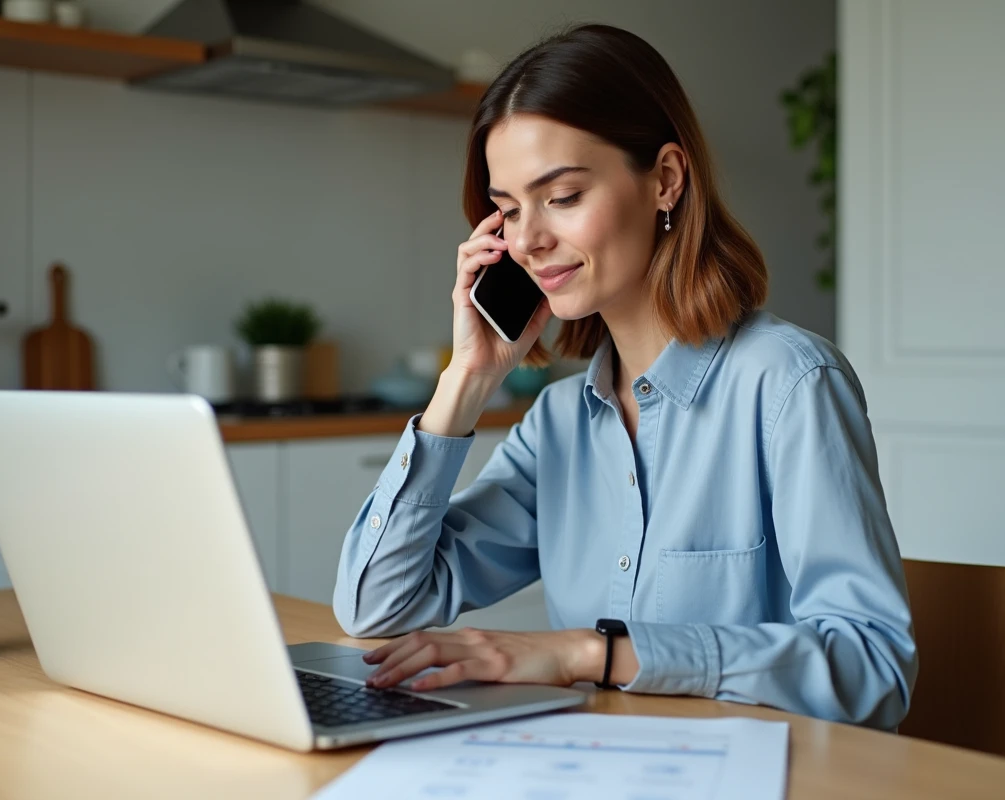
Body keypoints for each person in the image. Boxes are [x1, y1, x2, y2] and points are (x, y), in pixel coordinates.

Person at [332, 23, 917, 729]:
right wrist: (465, 382)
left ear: (665, 180)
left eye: (564, 196)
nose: (528, 240)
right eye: (510, 210)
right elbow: (376, 607)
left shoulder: (789, 385)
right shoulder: (556, 426)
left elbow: (873, 668)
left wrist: (593, 652)